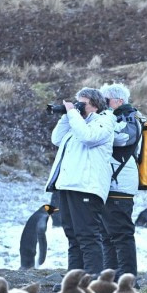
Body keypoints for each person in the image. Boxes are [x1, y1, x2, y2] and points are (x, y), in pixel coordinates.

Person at [45, 87, 116, 274]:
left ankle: (92, 279)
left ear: (95, 105)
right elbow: (56, 139)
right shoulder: (77, 124)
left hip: (87, 187)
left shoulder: (104, 121)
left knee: (87, 235)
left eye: (82, 104)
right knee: (72, 236)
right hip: (68, 185)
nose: (78, 107)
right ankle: (74, 279)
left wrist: (73, 113)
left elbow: (88, 137)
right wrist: (67, 116)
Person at [100, 82, 142, 281]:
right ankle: (111, 277)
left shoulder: (129, 117)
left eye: (105, 100)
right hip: (110, 182)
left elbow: (123, 138)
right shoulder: (115, 117)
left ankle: (127, 278)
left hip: (120, 183)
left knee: (121, 234)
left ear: (118, 101)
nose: (102, 104)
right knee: (107, 234)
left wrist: (102, 124)